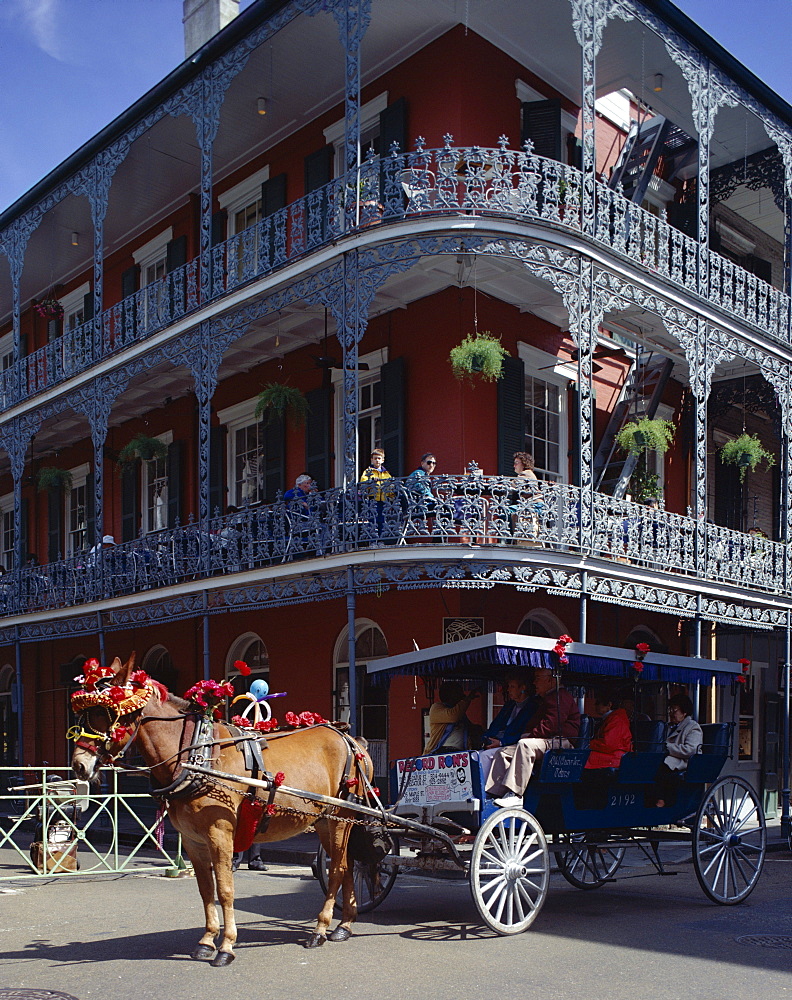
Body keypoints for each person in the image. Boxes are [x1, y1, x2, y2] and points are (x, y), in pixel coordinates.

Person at [484, 667, 580, 807]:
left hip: (561, 741)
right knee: (503, 752)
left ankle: (516, 794)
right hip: (546, 740)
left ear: (550, 679)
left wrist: (529, 735)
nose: (534, 682)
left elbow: (551, 726)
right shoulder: (545, 699)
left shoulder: (560, 696)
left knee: (525, 745)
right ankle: (495, 793)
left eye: (538, 678)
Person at [655, 693, 702, 807]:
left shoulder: (692, 727)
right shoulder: (669, 726)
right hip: (670, 758)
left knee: (662, 766)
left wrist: (667, 748)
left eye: (674, 710)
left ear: (684, 712)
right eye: (670, 710)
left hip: (685, 762)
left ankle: (662, 800)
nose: (671, 713)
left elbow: (691, 750)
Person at [423, 680, 481, 754]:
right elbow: (453, 716)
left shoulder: (460, 712)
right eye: (458, 693)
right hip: (442, 751)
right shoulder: (436, 708)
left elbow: (469, 727)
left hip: (461, 752)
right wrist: (467, 699)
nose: (461, 695)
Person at [584, 688, 632, 769]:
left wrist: (587, 744)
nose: (595, 705)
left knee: (583, 758)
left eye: (598, 703)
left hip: (616, 757)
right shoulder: (611, 718)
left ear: (609, 705)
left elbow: (608, 744)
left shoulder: (616, 719)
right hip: (613, 754)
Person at [359, 448, 394, 542]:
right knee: (373, 520)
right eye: (375, 458)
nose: (377, 460)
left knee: (382, 521)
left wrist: (391, 496)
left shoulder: (387, 473)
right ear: (372, 460)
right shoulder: (368, 472)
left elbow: (390, 487)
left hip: (384, 500)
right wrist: (371, 481)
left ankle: (381, 540)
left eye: (379, 458)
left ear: (383, 460)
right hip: (373, 500)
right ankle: (373, 541)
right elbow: (363, 483)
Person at [406, 453, 437, 518]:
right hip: (417, 503)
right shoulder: (419, 473)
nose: (431, 465)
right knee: (444, 508)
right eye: (429, 462)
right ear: (422, 463)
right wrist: (432, 498)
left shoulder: (423, 474)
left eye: (434, 463)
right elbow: (420, 487)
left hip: (419, 501)